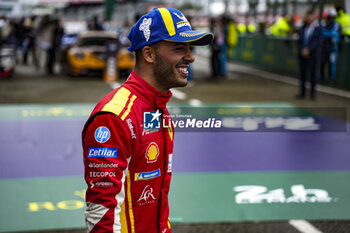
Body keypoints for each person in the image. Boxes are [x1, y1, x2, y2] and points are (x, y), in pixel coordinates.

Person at [82, 8, 213, 233]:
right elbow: (102, 213)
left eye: (190, 49)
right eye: (179, 48)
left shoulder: (158, 109)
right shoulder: (114, 117)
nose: (191, 57)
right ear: (149, 54)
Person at [296, 10, 322, 100]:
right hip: (302, 55)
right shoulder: (302, 29)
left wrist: (308, 50)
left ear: (313, 18)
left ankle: (312, 93)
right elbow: (299, 41)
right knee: (303, 74)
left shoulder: (318, 29)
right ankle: (302, 92)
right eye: (308, 17)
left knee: (312, 75)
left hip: (313, 55)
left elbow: (317, 42)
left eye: (311, 17)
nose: (309, 19)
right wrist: (302, 50)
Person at [320, 9, 341, 83]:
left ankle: (331, 78)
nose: (331, 18)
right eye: (330, 17)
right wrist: (326, 33)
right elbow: (322, 33)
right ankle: (321, 77)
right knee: (322, 63)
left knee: (332, 64)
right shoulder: (325, 24)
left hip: (333, 48)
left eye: (333, 17)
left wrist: (326, 33)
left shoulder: (336, 25)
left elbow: (333, 33)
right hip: (324, 47)